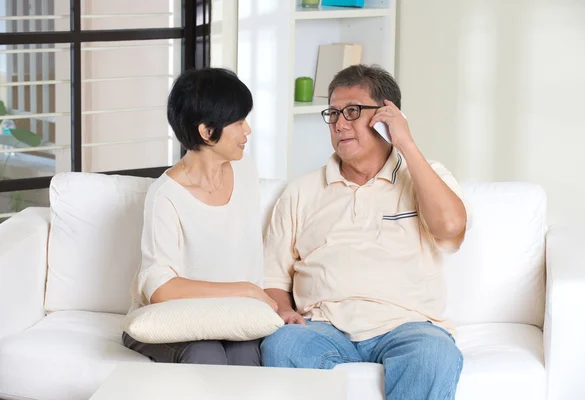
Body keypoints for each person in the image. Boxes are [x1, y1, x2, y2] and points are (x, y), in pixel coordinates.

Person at [260, 64, 470, 399]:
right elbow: (273, 277)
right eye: (333, 114)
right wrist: (285, 311)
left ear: (387, 116)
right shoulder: (300, 191)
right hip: (322, 327)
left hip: (408, 327)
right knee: (282, 345)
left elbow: (450, 228)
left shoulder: (427, 177)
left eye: (352, 112)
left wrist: (407, 144)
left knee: (435, 355)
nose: (339, 124)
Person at [122, 68, 277, 366]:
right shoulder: (165, 195)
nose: (248, 131)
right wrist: (244, 290)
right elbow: (161, 289)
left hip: (232, 319)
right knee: (206, 355)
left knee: (246, 355)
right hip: (172, 322)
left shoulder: (245, 170)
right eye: (239, 121)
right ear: (207, 132)